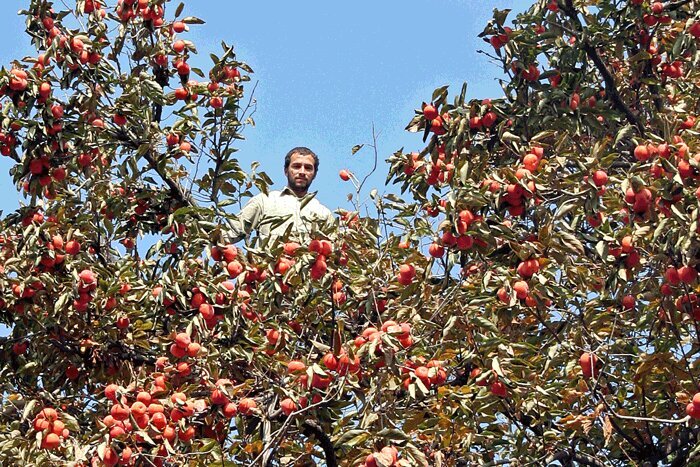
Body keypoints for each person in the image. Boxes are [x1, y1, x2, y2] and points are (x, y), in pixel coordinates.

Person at [229, 147, 335, 245]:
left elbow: (334, 251)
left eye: (308, 168)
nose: (302, 172)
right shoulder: (265, 200)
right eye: (296, 166)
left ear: (314, 174)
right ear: (286, 170)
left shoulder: (323, 213)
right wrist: (215, 238)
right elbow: (234, 230)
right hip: (270, 264)